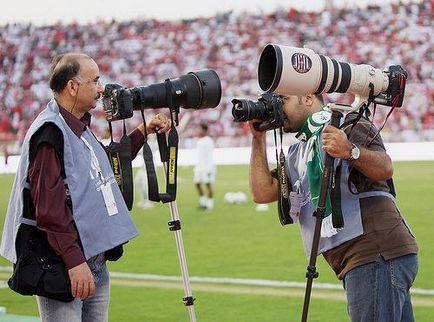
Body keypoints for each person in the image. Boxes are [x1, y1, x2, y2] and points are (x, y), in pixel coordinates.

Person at [0, 53, 170, 322]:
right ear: (72, 87)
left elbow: (108, 163)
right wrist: (75, 263)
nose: (102, 89)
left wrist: (143, 131)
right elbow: (48, 210)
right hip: (65, 265)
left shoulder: (78, 127)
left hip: (93, 259)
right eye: (95, 81)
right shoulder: (50, 133)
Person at [249, 94, 418, 321]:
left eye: (284, 100)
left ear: (308, 98)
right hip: (366, 256)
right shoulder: (297, 150)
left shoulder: (345, 120)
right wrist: (257, 138)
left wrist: (350, 150)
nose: (278, 108)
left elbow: (385, 167)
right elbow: (262, 192)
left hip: (374, 250)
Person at [193, 123, 216, 211]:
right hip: (199, 166)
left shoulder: (208, 140)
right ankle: (203, 202)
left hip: (207, 167)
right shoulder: (199, 140)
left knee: (208, 184)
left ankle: (210, 204)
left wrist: (209, 168)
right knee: (197, 183)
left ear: (204, 130)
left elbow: (209, 155)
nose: (198, 131)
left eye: (199, 129)